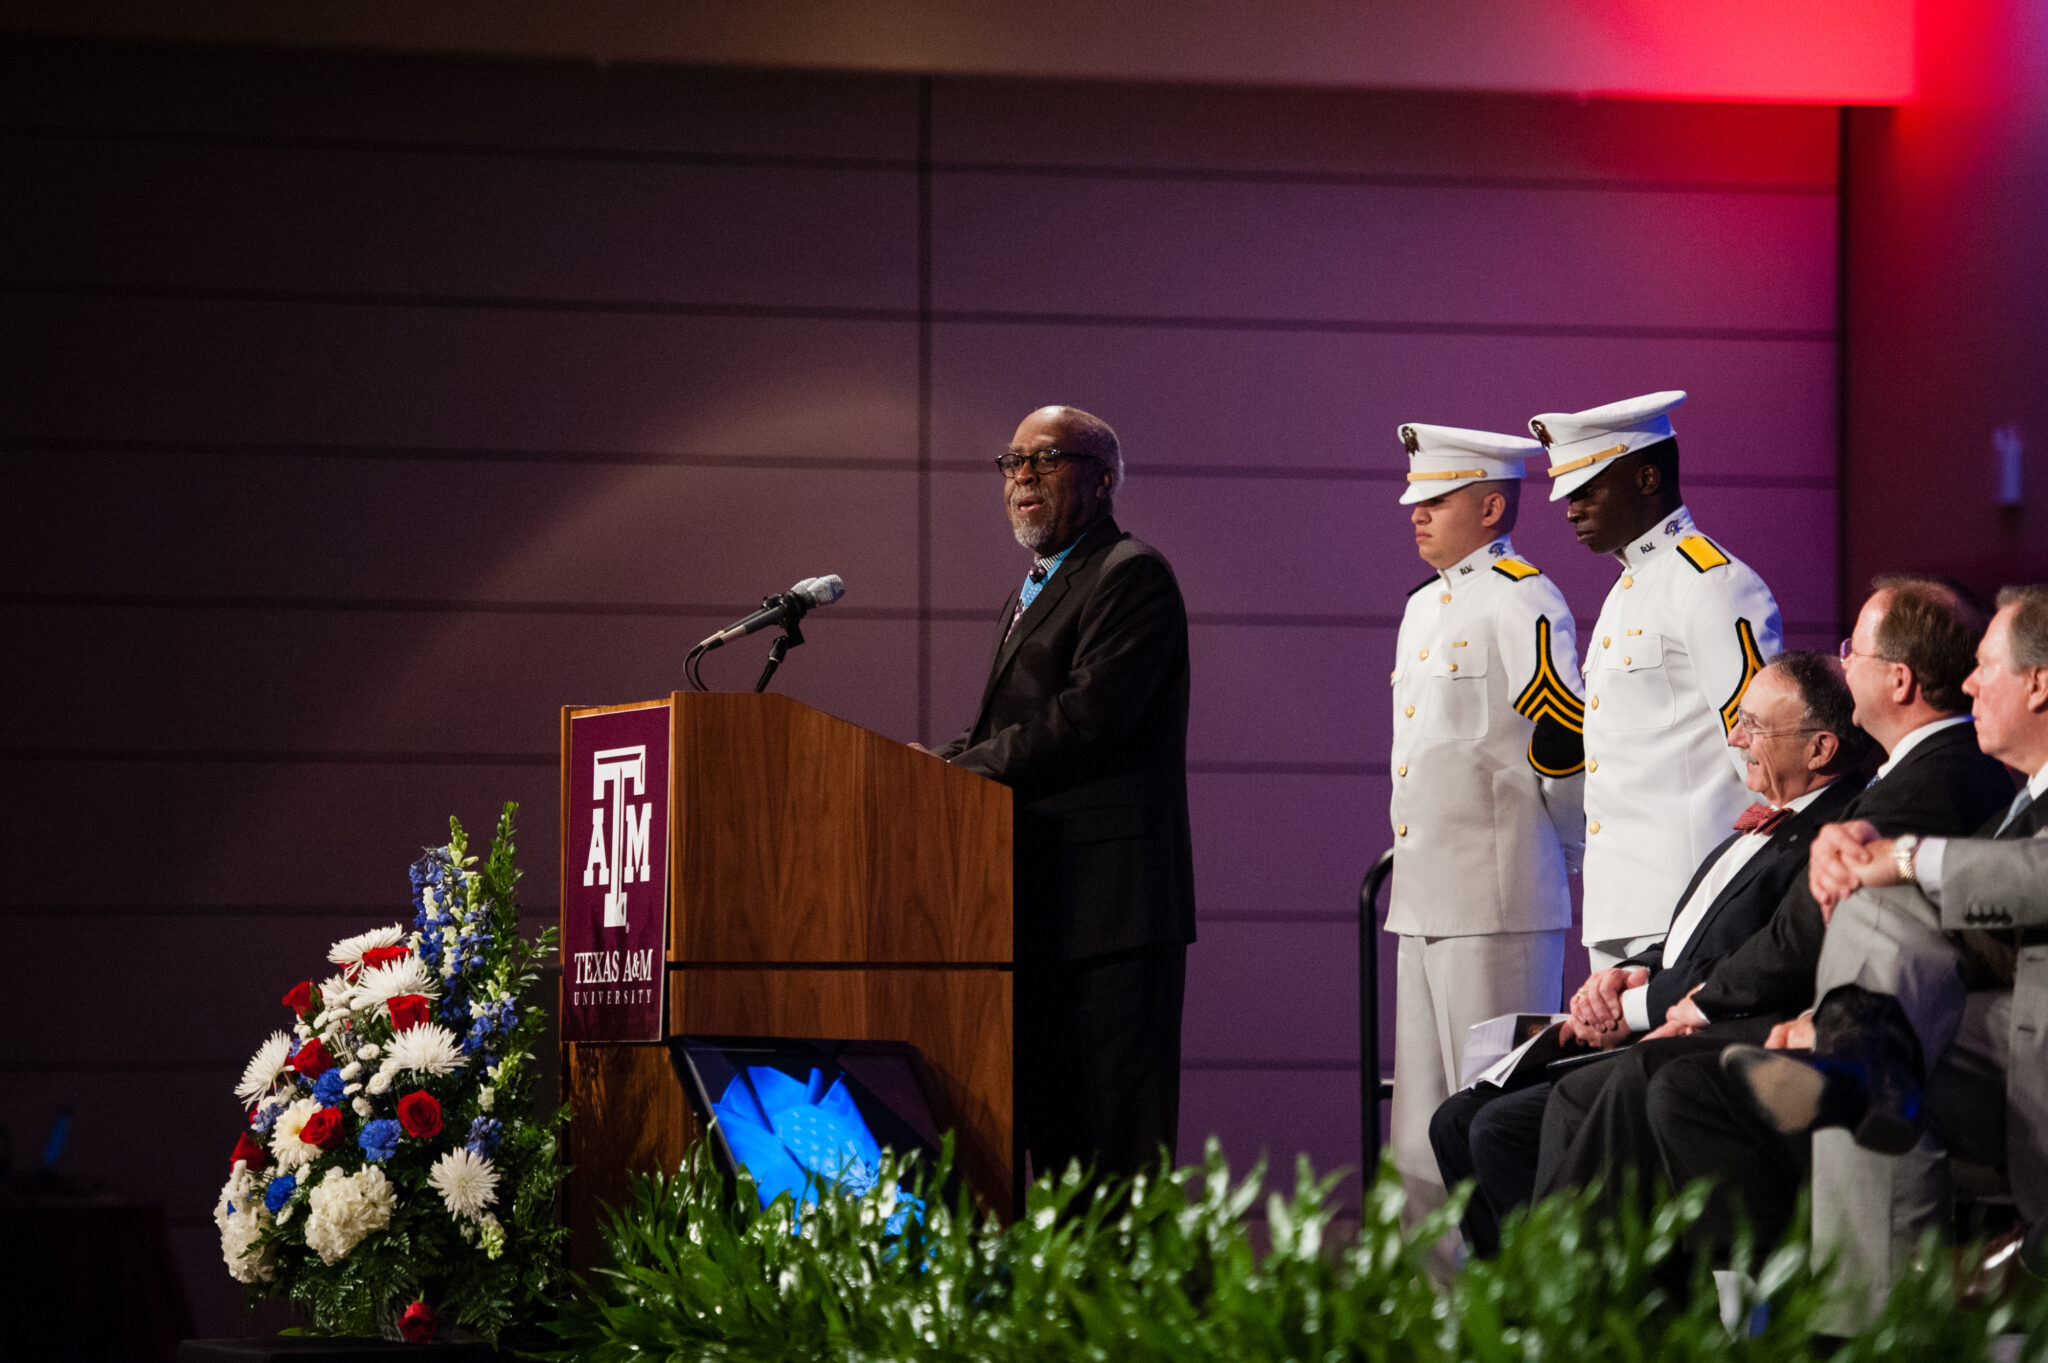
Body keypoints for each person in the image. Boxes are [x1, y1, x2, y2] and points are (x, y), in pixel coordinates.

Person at [1529, 579, 2012, 1256]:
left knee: (1647, 1080)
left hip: (1868, 1030)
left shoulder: (1936, 776)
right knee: (1527, 1108)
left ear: (1898, 680)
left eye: (1855, 649)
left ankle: (1592, 1311)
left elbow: (1803, 931)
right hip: (1823, 1008)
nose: (1844, 663)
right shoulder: (1911, 774)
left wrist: (1698, 1003)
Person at [1429, 652, 1862, 1256]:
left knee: (1500, 1128)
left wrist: (1638, 1004)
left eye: (1755, 726)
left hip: (1706, 1034)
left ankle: (1568, 1314)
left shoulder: (1832, 836)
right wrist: (1635, 969)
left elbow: (1762, 962)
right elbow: (1705, 934)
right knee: (1454, 1118)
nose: (1735, 738)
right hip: (1658, 1003)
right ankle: (1507, 1312)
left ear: (1820, 749)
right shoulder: (1770, 820)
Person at [1722, 584, 2048, 1329]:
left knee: (1858, 1040)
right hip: (1997, 1041)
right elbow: (1971, 920)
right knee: (1861, 1066)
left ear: (2039, 682)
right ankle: (1857, 1331)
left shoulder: (1970, 789)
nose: (1966, 683)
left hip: (2028, 1054)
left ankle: (1846, 1330)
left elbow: (2035, 881)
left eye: (1986, 666)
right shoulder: (2012, 805)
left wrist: (1896, 856)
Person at [933, 404, 1196, 1184]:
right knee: (1053, 1144)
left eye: (1045, 460)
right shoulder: (1031, 590)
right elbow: (1011, 726)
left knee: (1113, 1153)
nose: (1022, 477)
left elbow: (1084, 720)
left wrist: (957, 771)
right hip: (1043, 906)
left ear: (1103, 477)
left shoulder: (1131, 574)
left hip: (1113, 914)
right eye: (1012, 462)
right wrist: (930, 765)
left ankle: (1118, 1306)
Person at [1385, 421, 1585, 1259]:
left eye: (1437, 500)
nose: (1417, 515)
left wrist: (1564, 856)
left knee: (1488, 1123)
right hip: (1425, 899)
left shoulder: (1522, 599)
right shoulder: (1423, 606)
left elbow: (1564, 743)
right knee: (1418, 1141)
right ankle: (1429, 1317)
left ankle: (1500, 1316)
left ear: (1493, 504)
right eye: (1415, 501)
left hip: (1500, 901)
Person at [1532, 391, 1782, 968]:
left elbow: (1761, 750)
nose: (1570, 509)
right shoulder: (1628, 590)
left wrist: (1761, 895)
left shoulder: (1711, 584)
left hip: (1692, 902)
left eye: (1586, 489)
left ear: (1647, 478)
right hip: (1622, 904)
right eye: (1568, 494)